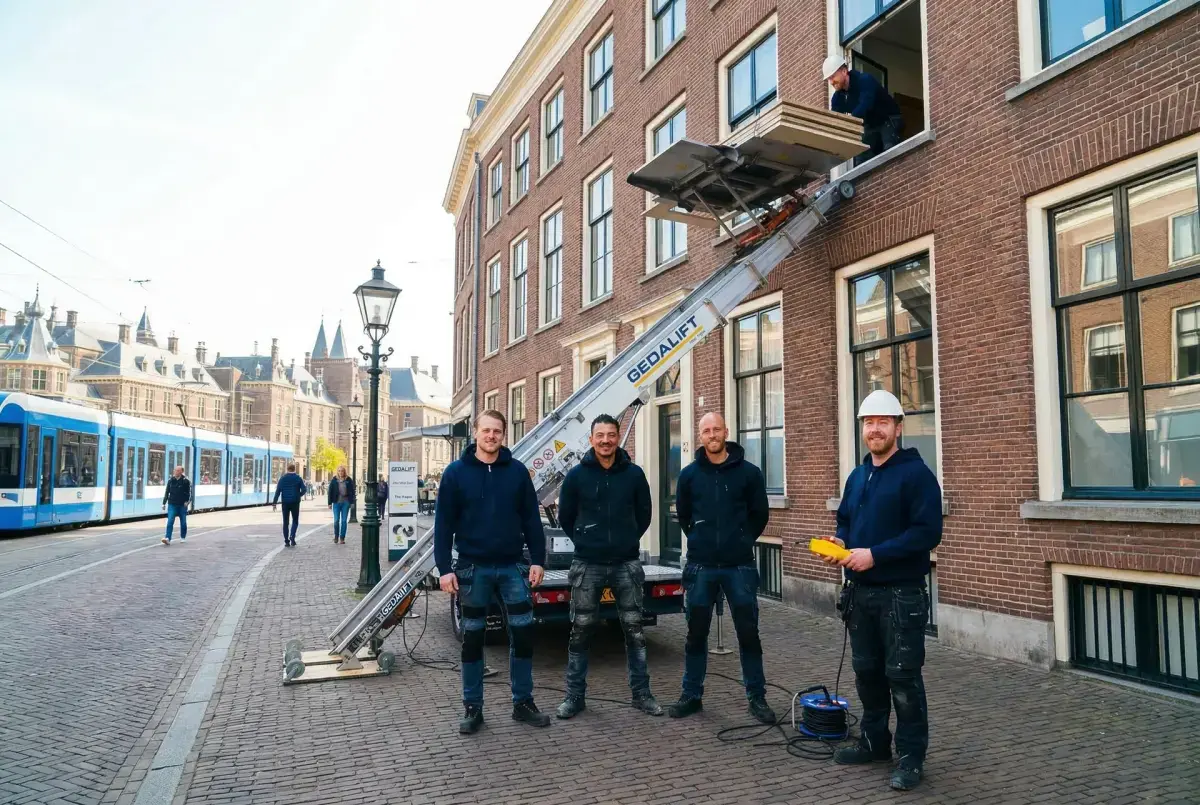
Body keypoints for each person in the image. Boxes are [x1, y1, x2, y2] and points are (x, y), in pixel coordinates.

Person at [818, 389, 942, 792]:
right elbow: (845, 520)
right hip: (861, 594)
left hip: (901, 595)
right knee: (867, 673)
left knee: (903, 678)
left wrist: (875, 555)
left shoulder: (917, 476)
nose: (875, 429)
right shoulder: (857, 476)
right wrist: (840, 543)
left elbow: (928, 532)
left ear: (898, 428)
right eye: (869, 423)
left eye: (883, 422)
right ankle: (874, 742)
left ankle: (911, 756)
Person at [434, 410, 549, 734]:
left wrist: (538, 560)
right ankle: (473, 708)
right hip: (472, 568)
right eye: (486, 430)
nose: (491, 436)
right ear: (475, 433)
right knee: (472, 639)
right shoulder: (455, 473)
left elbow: (531, 518)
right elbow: (443, 524)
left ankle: (523, 703)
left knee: (523, 636)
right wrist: (444, 568)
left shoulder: (517, 472)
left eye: (497, 431)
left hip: (513, 566)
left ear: (503, 434)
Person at [668, 412, 775, 725]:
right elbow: (684, 515)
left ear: (726, 432)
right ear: (699, 435)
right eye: (706, 430)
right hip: (700, 566)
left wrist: (741, 540)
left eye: (716, 429)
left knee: (748, 634)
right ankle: (691, 695)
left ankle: (757, 697)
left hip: (739, 566)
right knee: (695, 634)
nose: (712, 435)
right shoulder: (688, 475)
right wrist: (700, 539)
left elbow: (760, 514)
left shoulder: (750, 473)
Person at [554, 414, 661, 719]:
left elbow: (644, 514)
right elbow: (566, 517)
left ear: (618, 438)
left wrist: (626, 539)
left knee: (635, 631)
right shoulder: (576, 476)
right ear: (591, 440)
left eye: (611, 435)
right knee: (580, 631)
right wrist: (586, 540)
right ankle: (574, 697)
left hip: (626, 563)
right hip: (587, 564)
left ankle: (642, 695)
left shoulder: (634, 475)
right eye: (599, 435)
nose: (605, 441)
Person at [823, 55, 904, 161]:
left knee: (890, 152)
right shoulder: (837, 98)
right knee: (861, 157)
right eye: (829, 79)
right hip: (870, 125)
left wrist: (850, 120)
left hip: (888, 119)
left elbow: (865, 104)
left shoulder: (864, 80)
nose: (831, 82)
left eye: (833, 77)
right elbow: (835, 120)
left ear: (844, 71)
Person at [272, 463, 307, 547]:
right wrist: (298, 495)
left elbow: (278, 492)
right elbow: (304, 489)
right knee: (295, 520)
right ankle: (292, 536)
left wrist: (274, 503)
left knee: (285, 522)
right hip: (295, 502)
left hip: (285, 502)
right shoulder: (298, 478)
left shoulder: (282, 479)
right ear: (295, 469)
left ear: (287, 469)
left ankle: (286, 541)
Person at [161, 466, 192, 545]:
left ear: (181, 472)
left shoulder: (186, 481)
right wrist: (164, 503)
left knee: (183, 522)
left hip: (182, 505)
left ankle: (183, 537)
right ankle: (168, 538)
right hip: (172, 504)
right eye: (175, 470)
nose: (175, 472)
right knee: (170, 521)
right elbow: (167, 492)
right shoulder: (171, 480)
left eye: (178, 470)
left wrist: (187, 502)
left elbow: (189, 493)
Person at [328, 466, 355, 544]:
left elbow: (352, 491)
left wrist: (352, 502)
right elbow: (330, 492)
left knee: (344, 521)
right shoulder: (334, 480)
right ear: (337, 472)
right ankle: (336, 536)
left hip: (346, 503)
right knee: (336, 521)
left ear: (344, 472)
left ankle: (342, 538)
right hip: (336, 503)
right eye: (339, 471)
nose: (340, 472)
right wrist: (329, 503)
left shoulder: (348, 480)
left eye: (342, 471)